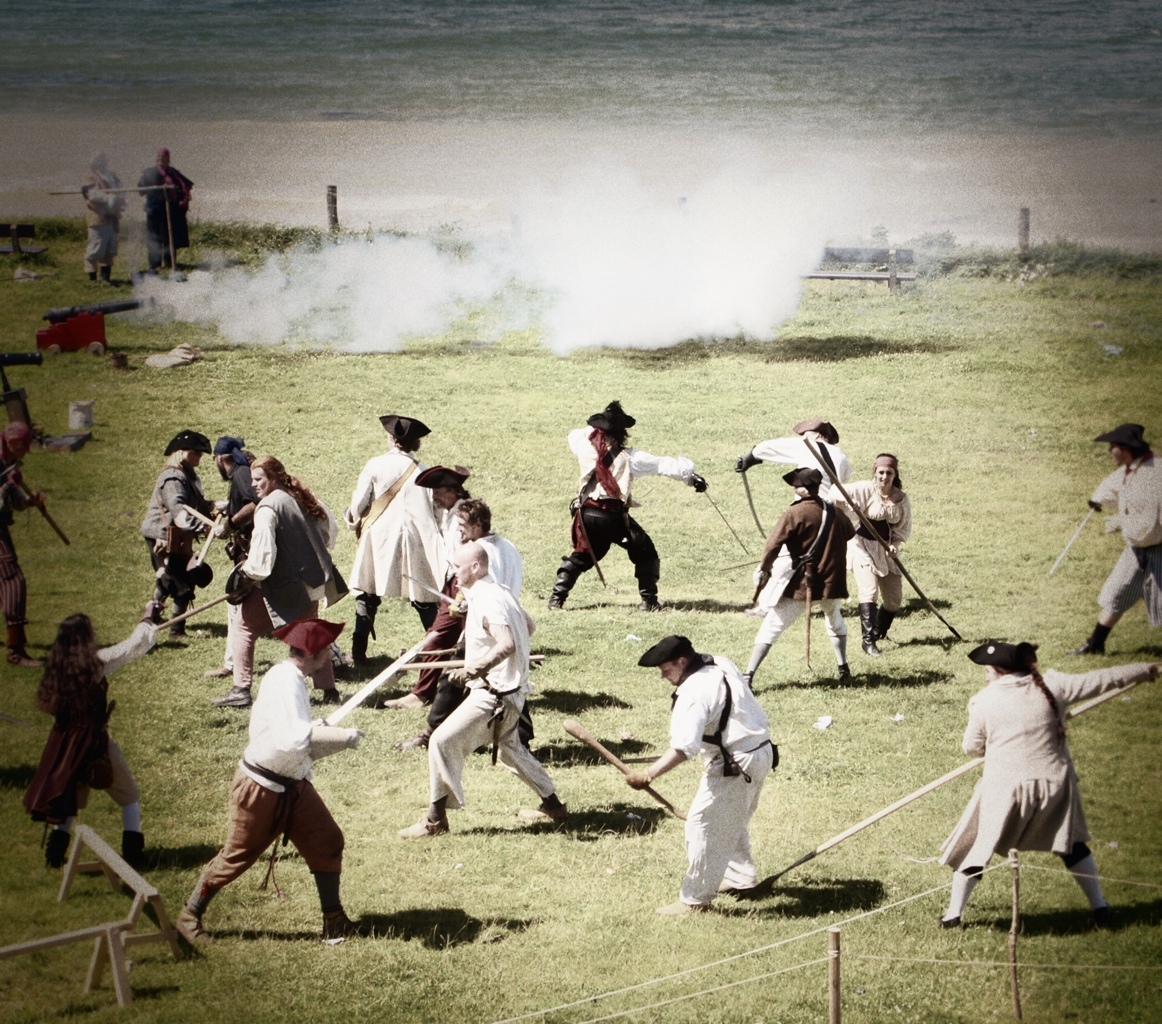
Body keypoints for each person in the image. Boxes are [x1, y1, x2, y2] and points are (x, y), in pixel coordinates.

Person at [939, 641, 1160, 928]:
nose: (985, 677)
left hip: (1005, 790)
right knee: (1072, 845)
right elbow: (1101, 679)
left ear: (1000, 670)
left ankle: (952, 916)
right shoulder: (1055, 685)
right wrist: (1143, 669)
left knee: (976, 847)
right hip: (1054, 786)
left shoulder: (983, 701)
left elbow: (971, 748)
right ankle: (1101, 909)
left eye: (987, 671)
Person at [175, 618, 366, 944]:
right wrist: (342, 737)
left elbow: (294, 734)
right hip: (260, 788)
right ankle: (189, 915)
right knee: (235, 857)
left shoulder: (293, 678)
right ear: (314, 653)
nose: (330, 657)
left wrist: (319, 728)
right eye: (327, 651)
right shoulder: (284, 680)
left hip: (292, 785)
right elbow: (294, 741)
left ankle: (334, 921)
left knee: (328, 839)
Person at [399, 542, 565, 838]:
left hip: (495, 695)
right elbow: (528, 626)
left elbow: (508, 643)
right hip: (511, 692)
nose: (453, 572)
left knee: (441, 741)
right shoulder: (498, 592)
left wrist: (473, 669)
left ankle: (435, 820)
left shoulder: (488, 599)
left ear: (475, 567)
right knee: (511, 750)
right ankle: (554, 806)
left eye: (457, 566)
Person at [628, 635, 775, 915]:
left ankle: (695, 900)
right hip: (760, 752)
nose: (662, 676)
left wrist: (648, 774)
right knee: (729, 819)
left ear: (682, 661)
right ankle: (741, 879)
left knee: (702, 826)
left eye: (665, 669)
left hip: (736, 764)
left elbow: (684, 749)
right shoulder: (719, 663)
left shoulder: (693, 692)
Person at [23, 615, 157, 870]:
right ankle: (134, 856)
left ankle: (54, 856)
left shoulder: (56, 669)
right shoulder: (93, 664)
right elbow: (129, 648)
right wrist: (146, 621)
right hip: (94, 744)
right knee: (130, 796)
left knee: (68, 800)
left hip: (63, 747)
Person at [548, 401, 707, 612]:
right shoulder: (629, 457)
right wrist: (691, 477)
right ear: (621, 433)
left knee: (584, 555)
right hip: (610, 517)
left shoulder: (583, 447)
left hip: (586, 514)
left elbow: (575, 434)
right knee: (646, 552)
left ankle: (556, 600)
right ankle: (649, 602)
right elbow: (661, 464)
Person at [212, 455, 343, 709]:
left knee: (243, 626)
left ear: (273, 478)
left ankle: (240, 689)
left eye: (258, 479)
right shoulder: (302, 496)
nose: (253, 485)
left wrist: (246, 575)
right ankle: (329, 690)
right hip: (311, 581)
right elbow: (329, 531)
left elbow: (262, 560)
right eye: (252, 480)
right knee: (310, 632)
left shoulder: (267, 508)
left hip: (284, 584)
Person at [395, 498, 525, 752]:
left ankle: (430, 735)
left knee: (453, 680)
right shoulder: (508, 547)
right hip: (508, 621)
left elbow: (485, 588)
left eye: (463, 525)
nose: (458, 530)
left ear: (478, 524)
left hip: (489, 628)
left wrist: (465, 605)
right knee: (506, 681)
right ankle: (520, 740)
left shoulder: (479, 553)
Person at [744, 467, 856, 685]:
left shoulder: (794, 513)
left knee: (771, 627)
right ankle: (843, 668)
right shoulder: (834, 512)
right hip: (831, 583)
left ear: (803, 489)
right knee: (835, 621)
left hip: (804, 584)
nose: (794, 489)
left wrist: (765, 569)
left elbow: (773, 545)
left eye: (796, 486)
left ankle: (748, 675)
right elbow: (849, 533)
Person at [345, 414, 442, 661]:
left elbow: (359, 505)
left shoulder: (375, 465)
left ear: (391, 438)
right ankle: (440, 650)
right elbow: (438, 512)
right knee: (424, 598)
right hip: (417, 540)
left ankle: (358, 654)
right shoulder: (425, 472)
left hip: (379, 538)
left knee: (367, 594)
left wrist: (353, 519)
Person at [382, 465, 472, 710]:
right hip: (454, 583)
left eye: (438, 492)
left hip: (465, 585)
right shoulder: (453, 513)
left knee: (440, 638)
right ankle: (423, 693)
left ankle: (422, 695)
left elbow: (472, 556)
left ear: (453, 491)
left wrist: (463, 592)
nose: (434, 498)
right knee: (438, 638)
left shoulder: (464, 516)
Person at [1071, 424, 1161, 655]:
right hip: (1137, 548)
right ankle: (1095, 644)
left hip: (1158, 547)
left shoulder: (1155, 474)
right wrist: (1098, 499)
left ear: (1125, 448)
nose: (1110, 451)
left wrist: (1123, 523)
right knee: (1118, 590)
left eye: (1113, 446)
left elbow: (1153, 516)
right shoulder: (1132, 469)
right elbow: (1115, 484)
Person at [140, 429, 215, 637]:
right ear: (182, 452)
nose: (199, 457)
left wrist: (218, 507)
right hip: (162, 536)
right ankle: (163, 625)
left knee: (179, 579)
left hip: (178, 537)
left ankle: (163, 623)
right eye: (195, 453)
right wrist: (203, 527)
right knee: (176, 582)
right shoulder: (173, 477)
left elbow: (197, 505)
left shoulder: (187, 476)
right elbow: (179, 512)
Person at [837, 453, 912, 657]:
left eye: (889, 473)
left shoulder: (901, 499)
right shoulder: (865, 488)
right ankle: (868, 641)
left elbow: (902, 527)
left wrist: (894, 545)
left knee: (894, 600)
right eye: (881, 472)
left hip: (886, 549)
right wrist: (849, 503)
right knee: (869, 592)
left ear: (895, 475)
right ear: (875, 471)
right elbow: (835, 491)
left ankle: (879, 631)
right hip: (860, 546)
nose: (884, 477)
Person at [205, 436, 258, 680]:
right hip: (249, 551)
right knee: (235, 608)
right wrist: (231, 505)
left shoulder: (241, 474)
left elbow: (253, 505)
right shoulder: (240, 475)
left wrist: (230, 524)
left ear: (218, 459)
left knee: (239, 607)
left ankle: (232, 665)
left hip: (252, 553)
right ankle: (231, 663)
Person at [0, 422, 46, 666]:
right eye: (24, 446)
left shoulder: (8, 461)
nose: (27, 451)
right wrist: (8, 484)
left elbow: (14, 502)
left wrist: (29, 501)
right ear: (12, 443)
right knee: (13, 581)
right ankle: (15, 650)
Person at [735, 418, 851, 503]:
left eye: (805, 435)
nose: (803, 438)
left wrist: (749, 459)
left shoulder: (810, 445)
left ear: (817, 436)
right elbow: (844, 480)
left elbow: (768, 447)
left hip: (811, 508)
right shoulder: (842, 456)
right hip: (834, 514)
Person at [137, 147, 193, 272]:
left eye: (163, 157)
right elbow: (141, 189)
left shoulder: (173, 173)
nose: (160, 159)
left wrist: (183, 199)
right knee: (155, 237)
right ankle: (154, 264)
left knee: (169, 237)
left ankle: (170, 262)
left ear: (168, 159)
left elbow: (185, 186)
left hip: (170, 210)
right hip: (155, 210)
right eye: (158, 157)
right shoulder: (150, 172)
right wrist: (148, 183)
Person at [81, 152, 126, 283]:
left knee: (109, 248)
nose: (102, 162)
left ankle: (105, 278)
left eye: (103, 160)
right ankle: (92, 279)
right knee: (96, 249)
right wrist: (108, 198)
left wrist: (121, 199)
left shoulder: (111, 175)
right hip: (98, 217)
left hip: (112, 216)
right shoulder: (89, 177)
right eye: (99, 160)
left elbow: (121, 188)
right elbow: (93, 195)